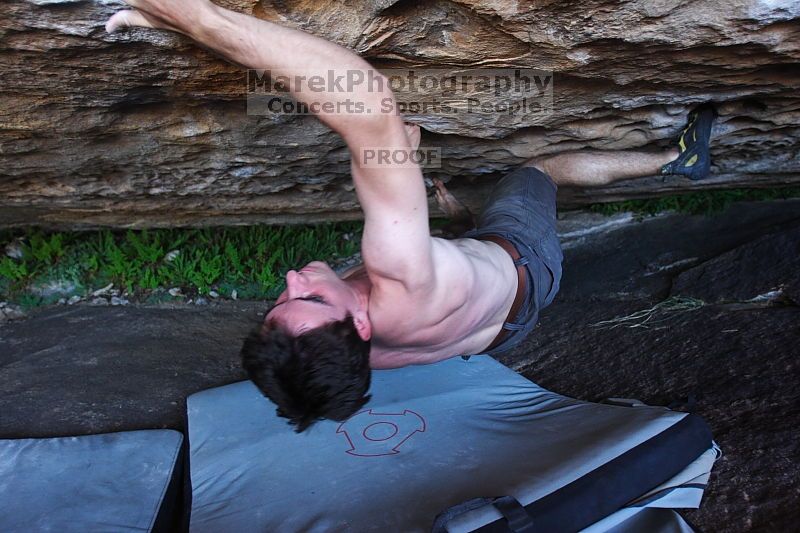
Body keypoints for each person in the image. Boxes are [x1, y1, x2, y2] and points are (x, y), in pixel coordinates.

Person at [105, 0, 717, 431]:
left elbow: (328, 392)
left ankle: (454, 219)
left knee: (438, 211)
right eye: (312, 299)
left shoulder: (349, 364)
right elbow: (367, 100)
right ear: (361, 328)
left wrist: (395, 159)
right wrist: (198, 17)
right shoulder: (397, 270)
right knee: (539, 172)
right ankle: (675, 158)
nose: (295, 280)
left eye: (281, 300)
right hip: (525, 258)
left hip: (499, 328)